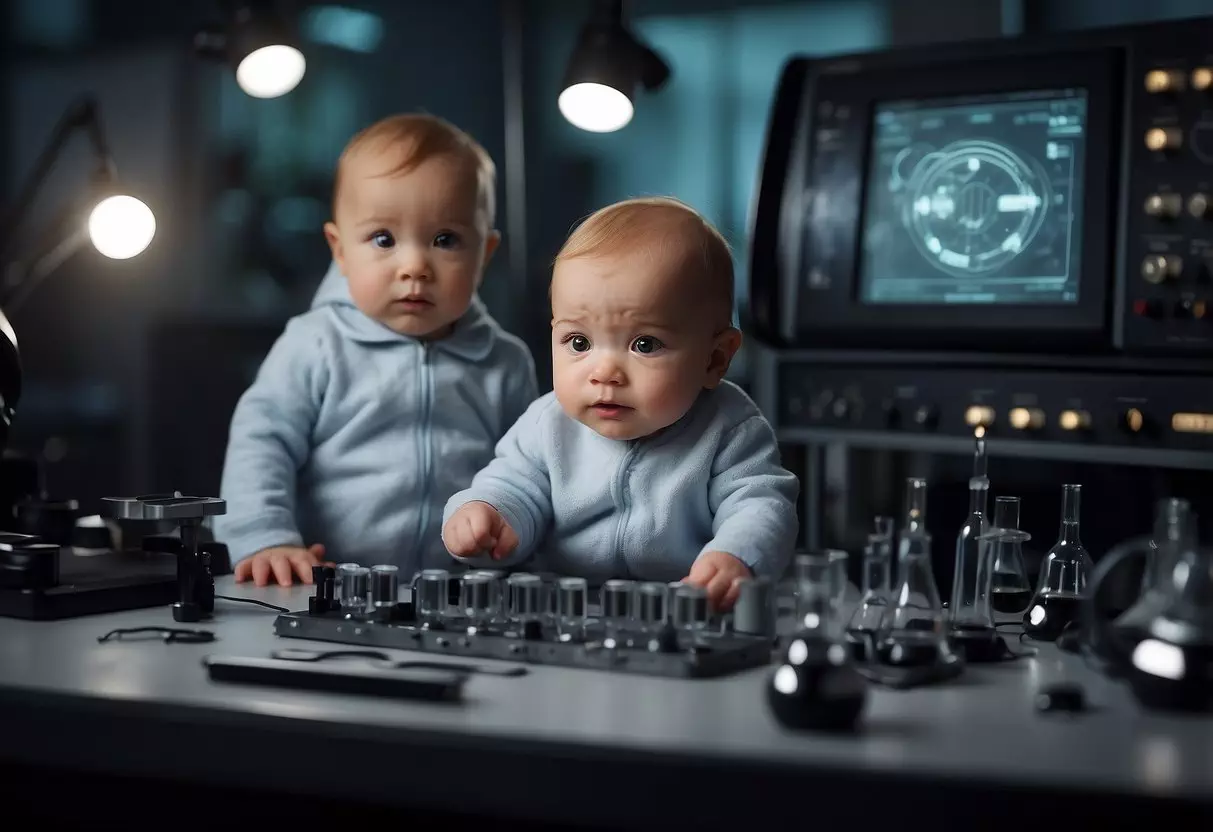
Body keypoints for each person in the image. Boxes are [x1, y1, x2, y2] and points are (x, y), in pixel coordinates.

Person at [215, 113, 537, 587]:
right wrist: (266, 537)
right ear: (339, 248)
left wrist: (519, 544)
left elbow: (532, 473)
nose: (414, 266)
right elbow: (261, 443)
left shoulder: (504, 363)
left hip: (462, 594)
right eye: (383, 239)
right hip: (325, 586)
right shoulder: (316, 344)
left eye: (445, 240)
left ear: (484, 255)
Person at [441, 196, 798, 610]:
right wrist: (486, 515)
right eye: (579, 342)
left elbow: (760, 505)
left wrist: (736, 556)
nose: (605, 372)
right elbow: (513, 487)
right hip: (562, 612)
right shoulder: (548, 424)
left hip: (683, 611)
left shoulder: (729, 429)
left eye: (644, 344)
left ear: (715, 358)